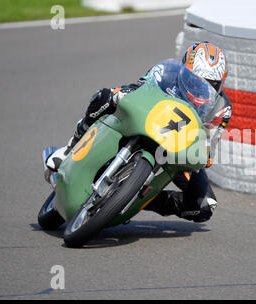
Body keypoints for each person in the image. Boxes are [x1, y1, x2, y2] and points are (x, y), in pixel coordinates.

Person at [46, 41, 232, 223]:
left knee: (205, 206)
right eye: (196, 80)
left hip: (177, 150)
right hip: (147, 122)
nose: (202, 88)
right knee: (106, 96)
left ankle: (134, 200)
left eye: (211, 84)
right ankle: (71, 147)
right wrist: (121, 94)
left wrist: (200, 153)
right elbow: (139, 87)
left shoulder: (222, 110)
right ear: (184, 71)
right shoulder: (167, 71)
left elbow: (208, 150)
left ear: (220, 85)